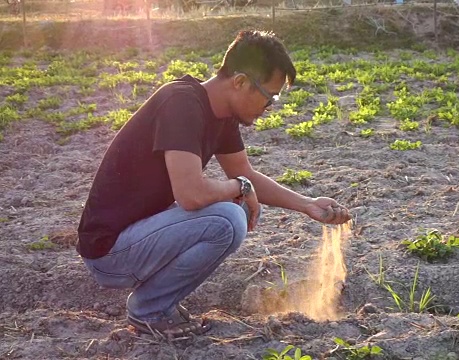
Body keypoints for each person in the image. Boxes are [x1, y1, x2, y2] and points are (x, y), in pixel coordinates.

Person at [76, 30, 351, 338]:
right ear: (240, 82)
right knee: (228, 217)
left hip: (139, 237)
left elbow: (245, 172)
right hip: (109, 252)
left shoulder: (221, 114)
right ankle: (149, 309)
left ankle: (158, 303)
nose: (271, 105)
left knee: (235, 213)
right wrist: (239, 188)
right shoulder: (181, 103)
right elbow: (191, 195)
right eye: (269, 95)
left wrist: (307, 204)